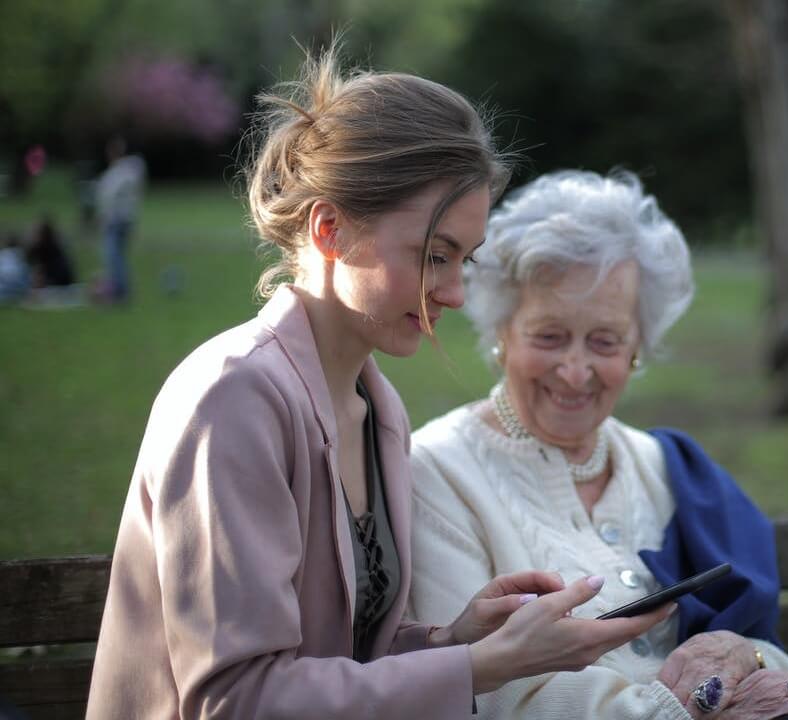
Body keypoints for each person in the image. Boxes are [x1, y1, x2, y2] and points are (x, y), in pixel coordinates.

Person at [86, 49, 670, 720]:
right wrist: (479, 667)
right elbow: (236, 699)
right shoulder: (233, 398)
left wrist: (452, 639)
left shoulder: (376, 407)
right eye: (432, 256)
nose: (453, 292)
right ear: (330, 229)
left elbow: (339, 658)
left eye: (464, 260)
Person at [407, 171, 788, 720]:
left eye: (605, 341)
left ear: (636, 349)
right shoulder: (436, 471)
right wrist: (682, 710)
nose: (576, 370)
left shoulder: (666, 468)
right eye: (549, 336)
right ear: (502, 333)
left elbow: (762, 651)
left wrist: (750, 658)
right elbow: (490, 693)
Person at [94, 134, 146, 302]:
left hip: (116, 220)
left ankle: (119, 291)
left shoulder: (119, 173)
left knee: (113, 256)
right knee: (118, 256)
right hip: (125, 220)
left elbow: (109, 197)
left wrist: (103, 217)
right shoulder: (130, 171)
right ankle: (119, 289)